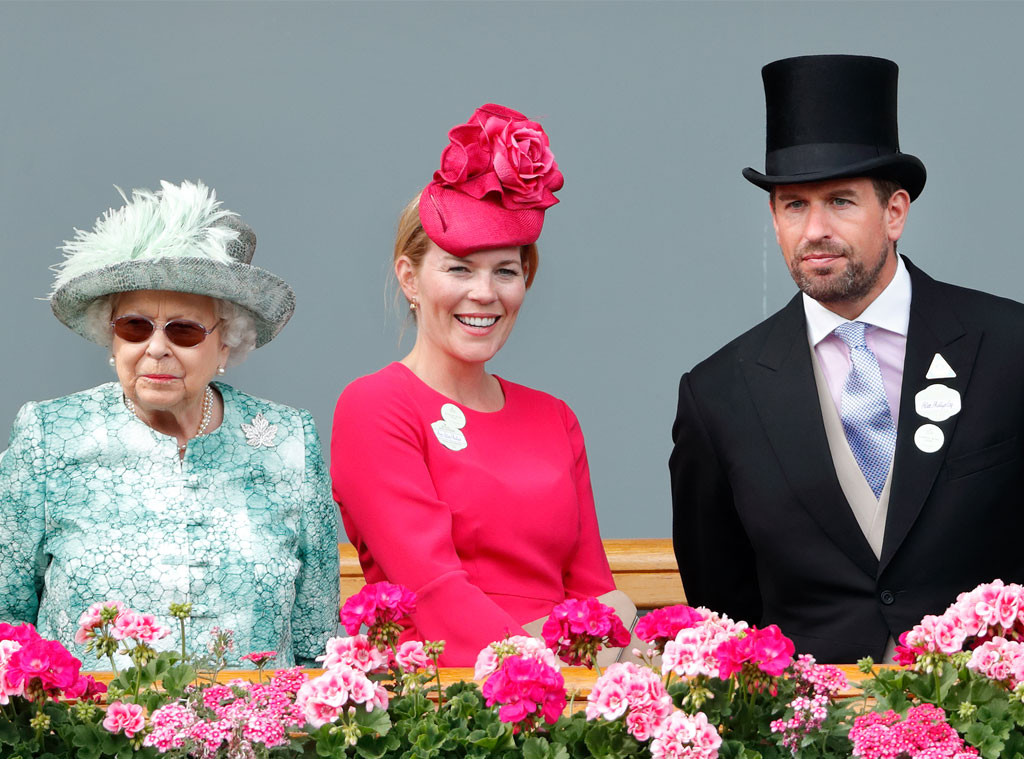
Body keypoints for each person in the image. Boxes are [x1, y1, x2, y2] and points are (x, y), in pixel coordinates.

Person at [669, 55, 1024, 663]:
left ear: (895, 213)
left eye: (839, 201)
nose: (814, 231)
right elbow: (722, 599)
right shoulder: (718, 395)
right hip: (808, 734)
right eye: (792, 206)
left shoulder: (1010, 347)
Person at [0, 180, 339, 668]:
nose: (156, 348)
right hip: (90, 735)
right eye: (135, 326)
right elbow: (8, 624)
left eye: (184, 330)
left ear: (227, 343)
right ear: (111, 337)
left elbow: (315, 637)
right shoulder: (51, 435)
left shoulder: (286, 441)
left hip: (253, 736)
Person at [331, 104, 615, 665]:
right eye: (460, 267)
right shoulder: (376, 405)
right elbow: (430, 589)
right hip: (448, 697)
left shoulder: (553, 417)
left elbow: (594, 593)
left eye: (505, 271)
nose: (485, 293)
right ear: (409, 278)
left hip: (567, 698)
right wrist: (538, 672)